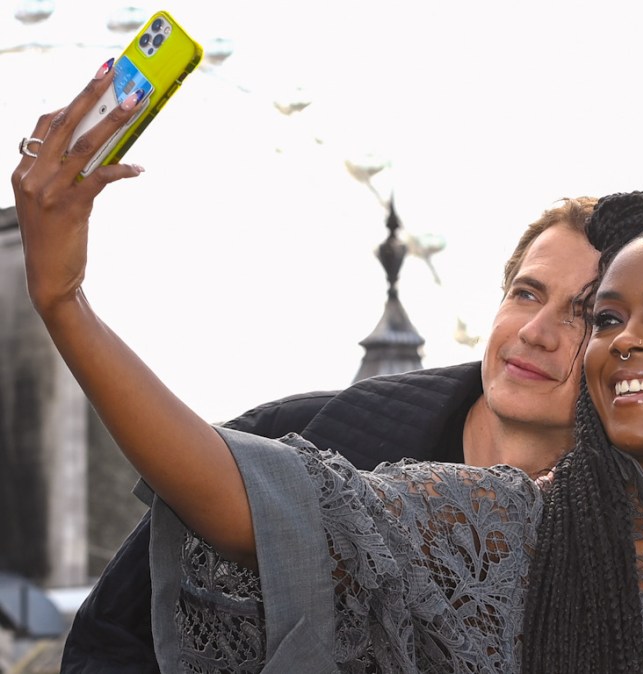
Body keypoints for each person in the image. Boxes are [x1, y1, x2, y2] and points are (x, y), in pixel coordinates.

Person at [13, 68, 643, 673]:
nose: (609, 339)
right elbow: (247, 504)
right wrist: (65, 303)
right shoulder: (479, 523)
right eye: (609, 317)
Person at [60, 192, 601, 673]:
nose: (536, 332)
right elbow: (106, 640)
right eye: (526, 294)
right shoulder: (286, 436)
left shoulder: (639, 544)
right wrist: (64, 301)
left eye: (586, 315)